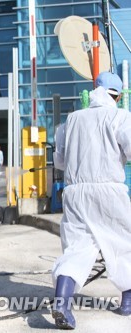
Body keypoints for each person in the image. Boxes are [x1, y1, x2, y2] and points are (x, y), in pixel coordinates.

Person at [51, 71, 131, 329]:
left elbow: (60, 161)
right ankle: (128, 302)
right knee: (123, 243)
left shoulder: (71, 120)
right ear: (116, 96)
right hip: (109, 190)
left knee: (76, 248)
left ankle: (62, 301)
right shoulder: (120, 116)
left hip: (75, 193)